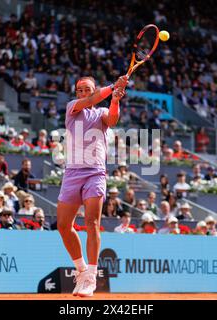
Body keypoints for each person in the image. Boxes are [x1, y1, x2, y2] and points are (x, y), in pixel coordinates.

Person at [56, 74, 128, 298]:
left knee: (92, 222)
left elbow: (113, 120)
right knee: (63, 225)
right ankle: (82, 272)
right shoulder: (72, 108)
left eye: (88, 89)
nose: (84, 94)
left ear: (94, 89)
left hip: (95, 173)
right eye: (80, 90)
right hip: (72, 173)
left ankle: (92, 276)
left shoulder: (102, 112)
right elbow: (90, 101)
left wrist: (115, 99)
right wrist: (112, 87)